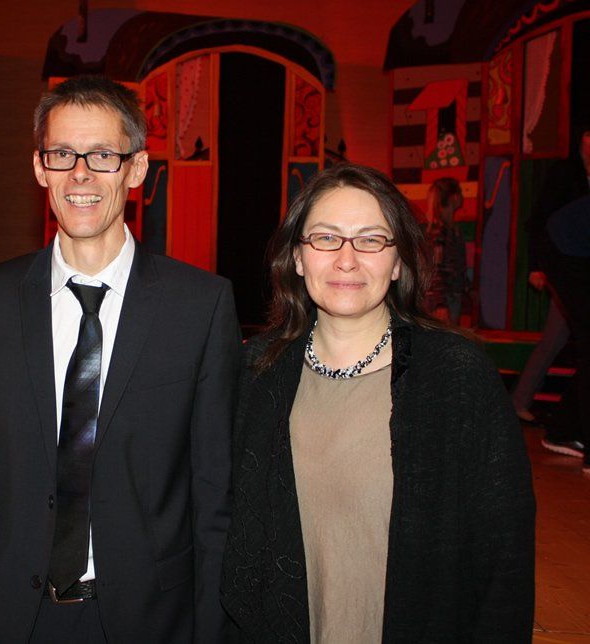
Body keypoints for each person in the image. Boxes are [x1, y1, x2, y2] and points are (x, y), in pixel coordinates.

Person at [0, 75, 240, 643]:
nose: (80, 173)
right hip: (11, 618)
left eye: (102, 155)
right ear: (40, 168)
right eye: (62, 154)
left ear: (136, 169)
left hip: (149, 620)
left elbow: (213, 495)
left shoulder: (201, 307)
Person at [221, 164, 535, 642]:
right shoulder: (258, 372)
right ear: (298, 257)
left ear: (399, 261)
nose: (346, 260)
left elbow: (504, 554)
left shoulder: (455, 376)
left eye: (370, 240)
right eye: (326, 238)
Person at [524, 123, 589, 459]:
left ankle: (564, 428)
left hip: (575, 255)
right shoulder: (565, 174)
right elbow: (538, 221)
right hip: (561, 253)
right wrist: (536, 266)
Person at [423, 177, 466, 325]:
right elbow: (436, 269)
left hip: (448, 296)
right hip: (443, 298)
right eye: (460, 192)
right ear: (454, 197)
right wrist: (440, 303)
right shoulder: (439, 231)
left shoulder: (450, 230)